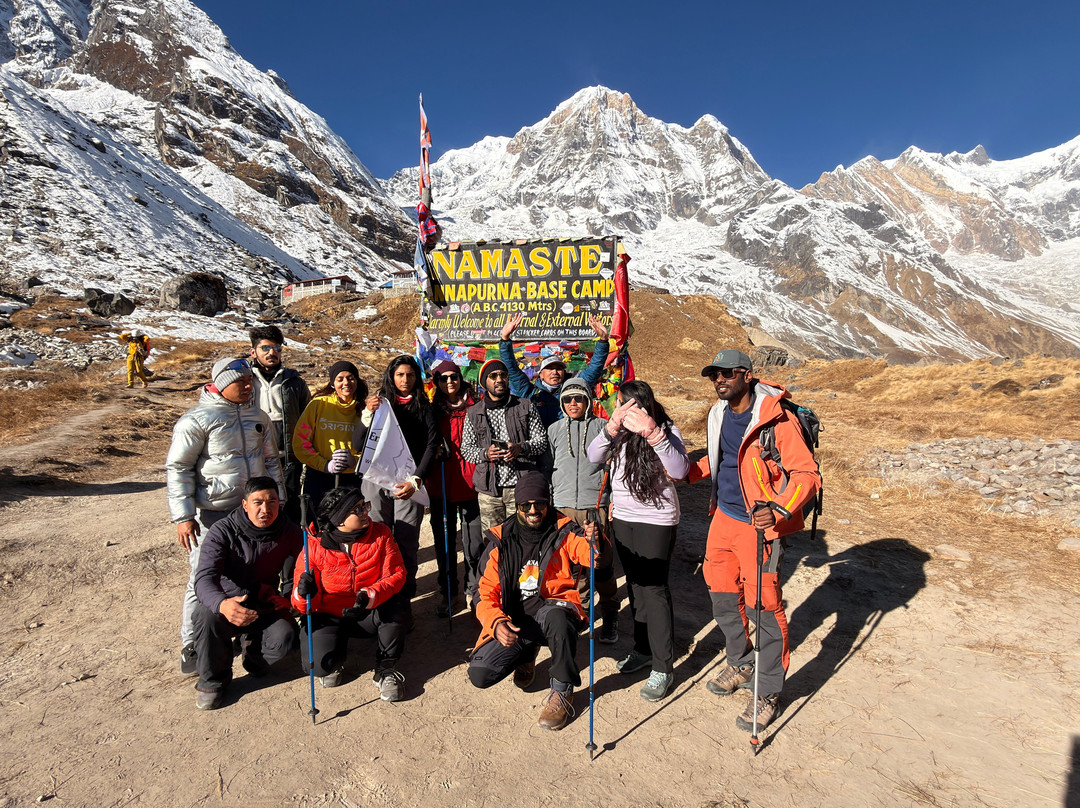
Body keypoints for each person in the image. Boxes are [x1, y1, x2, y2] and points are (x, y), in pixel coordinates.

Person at [690, 349, 820, 733]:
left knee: (763, 606)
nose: (720, 380)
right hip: (723, 519)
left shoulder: (775, 419)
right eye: (715, 374)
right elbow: (720, 460)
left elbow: (807, 475)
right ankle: (741, 661)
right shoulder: (718, 415)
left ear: (747, 375)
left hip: (760, 527)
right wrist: (680, 472)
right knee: (722, 597)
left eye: (727, 373)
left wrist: (780, 509)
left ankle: (768, 692)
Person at [166, 357, 284, 677]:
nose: (248, 385)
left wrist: (279, 501)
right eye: (240, 381)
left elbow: (271, 462)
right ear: (220, 383)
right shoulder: (196, 420)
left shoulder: (259, 417)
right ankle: (192, 643)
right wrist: (183, 516)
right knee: (202, 578)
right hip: (213, 513)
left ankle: (247, 633)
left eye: (250, 380)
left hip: (255, 512)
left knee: (254, 571)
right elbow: (179, 468)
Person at [467, 473, 600, 731]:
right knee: (480, 674)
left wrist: (595, 540)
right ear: (516, 506)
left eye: (539, 504)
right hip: (515, 620)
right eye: (525, 505)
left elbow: (591, 557)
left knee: (558, 618)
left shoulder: (564, 530)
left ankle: (562, 691)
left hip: (551, 610)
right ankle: (526, 653)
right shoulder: (500, 540)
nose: (533, 510)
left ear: (547, 503)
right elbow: (483, 593)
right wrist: (495, 623)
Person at [587, 379, 689, 702]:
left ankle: (663, 666)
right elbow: (593, 456)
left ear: (642, 406)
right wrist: (612, 426)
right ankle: (643, 649)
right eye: (618, 405)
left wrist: (651, 432)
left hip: (656, 520)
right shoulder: (617, 433)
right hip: (624, 519)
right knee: (634, 585)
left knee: (654, 589)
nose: (620, 409)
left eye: (624, 405)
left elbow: (680, 469)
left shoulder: (665, 428)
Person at [189, 477, 301, 710]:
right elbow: (204, 579)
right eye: (257, 502)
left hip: (263, 602)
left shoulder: (288, 530)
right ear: (244, 504)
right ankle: (213, 681)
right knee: (205, 615)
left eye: (272, 501)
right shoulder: (223, 531)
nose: (265, 509)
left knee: (287, 636)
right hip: (227, 602)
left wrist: (289, 598)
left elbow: (304, 567)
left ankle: (254, 654)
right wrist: (222, 604)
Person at [292, 486, 409, 702]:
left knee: (398, 607)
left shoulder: (381, 534)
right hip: (329, 614)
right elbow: (301, 605)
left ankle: (386, 668)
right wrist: (304, 593)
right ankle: (335, 656)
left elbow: (397, 574)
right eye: (358, 510)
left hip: (368, 610)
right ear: (339, 519)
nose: (366, 512)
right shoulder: (313, 546)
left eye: (365, 506)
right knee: (320, 667)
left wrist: (370, 595)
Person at [352, 355, 439, 606]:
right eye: (400, 374)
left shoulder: (424, 406)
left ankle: (403, 597)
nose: (405, 380)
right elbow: (358, 444)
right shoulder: (379, 405)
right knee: (375, 537)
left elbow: (431, 445)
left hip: (407, 484)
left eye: (410, 375)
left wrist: (416, 479)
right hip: (377, 481)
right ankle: (376, 594)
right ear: (391, 376)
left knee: (407, 539)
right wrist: (367, 415)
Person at [547, 376, 620, 643]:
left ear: (588, 400)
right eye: (567, 399)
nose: (573, 403)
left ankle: (611, 614)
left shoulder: (603, 427)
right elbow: (550, 466)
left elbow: (615, 466)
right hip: (564, 508)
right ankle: (582, 614)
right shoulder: (553, 430)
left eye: (579, 398)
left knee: (601, 566)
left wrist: (610, 500)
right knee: (573, 569)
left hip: (594, 507)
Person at [459, 359, 549, 533]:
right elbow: (466, 449)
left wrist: (520, 447)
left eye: (503, 375)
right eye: (493, 376)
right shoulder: (473, 412)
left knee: (522, 537)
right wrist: (486, 454)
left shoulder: (525, 406)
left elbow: (541, 441)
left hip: (521, 487)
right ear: (485, 382)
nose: (499, 379)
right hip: (489, 491)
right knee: (493, 540)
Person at [425, 360, 482, 614]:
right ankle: (448, 593)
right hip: (441, 485)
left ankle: (474, 592)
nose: (449, 381)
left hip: (471, 485)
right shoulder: (430, 410)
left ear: (461, 378)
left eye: (454, 377)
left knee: (474, 545)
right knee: (445, 544)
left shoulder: (477, 407)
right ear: (436, 382)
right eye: (443, 378)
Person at [499, 311, 611, 426]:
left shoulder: (573, 389)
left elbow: (594, 369)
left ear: (564, 372)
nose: (554, 372)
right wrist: (505, 339)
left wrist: (603, 340)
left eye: (559, 368)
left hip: (565, 442)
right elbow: (511, 369)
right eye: (550, 368)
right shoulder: (529, 393)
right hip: (536, 442)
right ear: (541, 374)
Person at [248, 325, 310, 524]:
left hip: (288, 458)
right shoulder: (245, 380)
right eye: (265, 348)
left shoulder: (295, 382)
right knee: (258, 503)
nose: (272, 353)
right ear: (253, 351)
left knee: (288, 503)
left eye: (277, 348)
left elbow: (306, 417)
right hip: (254, 457)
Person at [292, 360, 366, 509]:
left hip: (353, 478)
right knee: (318, 525)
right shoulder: (318, 405)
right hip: (319, 476)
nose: (346, 383)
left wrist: (356, 461)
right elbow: (300, 443)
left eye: (351, 378)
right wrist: (325, 465)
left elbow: (373, 446)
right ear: (333, 383)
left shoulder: (365, 410)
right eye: (340, 379)